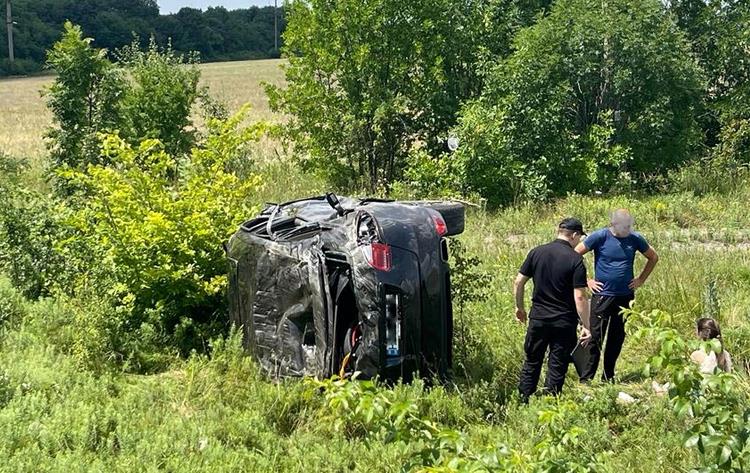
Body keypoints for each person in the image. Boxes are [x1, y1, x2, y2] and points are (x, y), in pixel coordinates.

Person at [575, 209, 659, 382]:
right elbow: (574, 255)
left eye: (629, 226)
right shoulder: (600, 237)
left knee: (617, 336)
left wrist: (641, 279)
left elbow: (653, 257)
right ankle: (586, 378)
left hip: (625, 296)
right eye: (624, 227)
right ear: (613, 224)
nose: (627, 230)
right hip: (603, 295)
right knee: (595, 336)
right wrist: (587, 280)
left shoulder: (635, 239)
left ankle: (608, 376)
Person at [514, 218, 592, 402]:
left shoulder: (536, 252)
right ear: (573, 235)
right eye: (579, 237)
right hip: (563, 322)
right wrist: (586, 325)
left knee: (532, 361)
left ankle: (524, 400)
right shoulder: (575, 260)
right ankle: (550, 402)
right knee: (557, 364)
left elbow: (519, 282)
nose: (579, 241)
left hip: (538, 318)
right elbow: (580, 296)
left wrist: (520, 308)